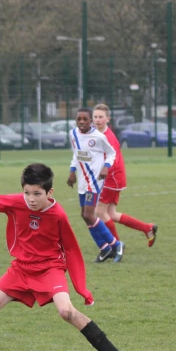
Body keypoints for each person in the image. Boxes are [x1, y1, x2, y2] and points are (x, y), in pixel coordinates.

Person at [0, 163, 132, 351]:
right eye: (27, 193)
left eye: (37, 194)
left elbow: (71, 249)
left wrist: (82, 288)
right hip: (20, 269)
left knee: (67, 312)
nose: (31, 199)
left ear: (49, 192)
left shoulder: (58, 215)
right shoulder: (17, 202)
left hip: (49, 269)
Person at [92, 104, 157, 255]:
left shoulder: (108, 138)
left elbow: (111, 161)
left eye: (101, 117)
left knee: (99, 211)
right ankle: (147, 228)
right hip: (111, 178)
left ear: (108, 119)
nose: (97, 120)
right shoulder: (95, 133)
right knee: (112, 214)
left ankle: (117, 246)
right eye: (95, 117)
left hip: (111, 178)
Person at [66, 107, 124, 263]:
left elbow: (112, 153)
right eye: (79, 119)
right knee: (84, 216)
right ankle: (104, 249)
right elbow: (76, 154)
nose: (82, 122)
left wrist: (106, 166)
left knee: (88, 214)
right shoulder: (73, 134)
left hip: (95, 181)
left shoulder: (98, 137)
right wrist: (72, 171)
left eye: (85, 119)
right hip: (82, 182)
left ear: (90, 121)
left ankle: (116, 244)